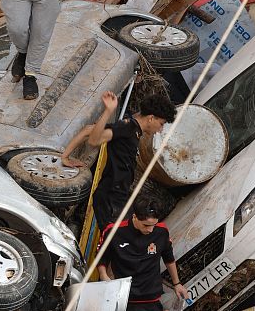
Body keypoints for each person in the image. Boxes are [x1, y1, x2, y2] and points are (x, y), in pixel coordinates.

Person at [61, 87, 175, 231]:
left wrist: (65, 156)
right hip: (110, 199)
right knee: (115, 242)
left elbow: (88, 130)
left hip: (118, 196)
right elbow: (94, 140)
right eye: (161, 124)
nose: (160, 129)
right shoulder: (127, 128)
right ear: (151, 118)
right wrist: (108, 111)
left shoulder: (132, 128)